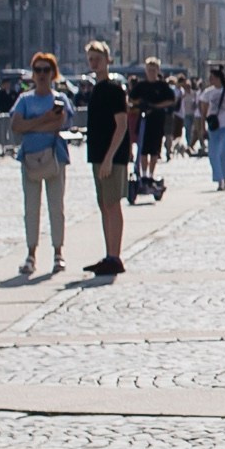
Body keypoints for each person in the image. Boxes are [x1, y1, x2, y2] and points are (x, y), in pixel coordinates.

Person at [9, 51, 72, 277]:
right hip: (30, 158)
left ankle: (58, 252)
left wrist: (33, 125)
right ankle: (31, 253)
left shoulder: (59, 99)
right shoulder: (25, 99)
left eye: (46, 70)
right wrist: (44, 121)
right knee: (31, 208)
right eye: (38, 70)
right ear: (33, 74)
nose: (42, 75)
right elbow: (16, 125)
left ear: (53, 73)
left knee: (56, 207)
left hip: (54, 157)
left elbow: (60, 124)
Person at [81, 41, 131, 275]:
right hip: (98, 155)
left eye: (97, 58)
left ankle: (115, 255)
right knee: (104, 205)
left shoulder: (114, 89)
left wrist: (110, 156)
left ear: (107, 60)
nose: (94, 63)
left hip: (112, 156)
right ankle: (109, 252)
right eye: (91, 59)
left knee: (112, 204)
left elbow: (121, 125)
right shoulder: (95, 89)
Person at [128, 55, 174, 199]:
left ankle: (151, 175)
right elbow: (131, 99)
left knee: (154, 150)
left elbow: (171, 100)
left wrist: (155, 106)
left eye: (154, 70)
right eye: (149, 70)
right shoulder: (141, 86)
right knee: (143, 148)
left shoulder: (162, 86)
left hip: (157, 120)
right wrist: (139, 104)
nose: (151, 72)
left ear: (158, 70)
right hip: (144, 120)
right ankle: (143, 174)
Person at [203, 62, 225, 188]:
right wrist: (202, 127)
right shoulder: (208, 93)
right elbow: (203, 111)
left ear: (218, 78)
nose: (210, 80)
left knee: (224, 152)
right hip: (213, 127)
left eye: (212, 77)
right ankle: (219, 179)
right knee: (213, 153)